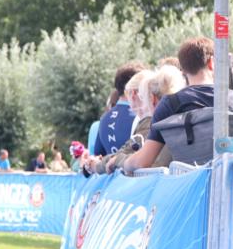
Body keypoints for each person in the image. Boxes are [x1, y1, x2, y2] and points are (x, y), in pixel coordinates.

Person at [124, 38, 222, 173]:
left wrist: (124, 163)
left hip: (188, 188)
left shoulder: (170, 104)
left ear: (182, 69)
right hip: (232, 186)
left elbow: (143, 161)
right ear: (211, 63)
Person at [94, 62, 146, 156]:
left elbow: (98, 154)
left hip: (110, 169)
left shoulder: (104, 118)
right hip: (132, 169)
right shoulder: (139, 117)